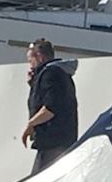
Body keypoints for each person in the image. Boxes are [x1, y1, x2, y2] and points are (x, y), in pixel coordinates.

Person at [21, 38, 78, 173]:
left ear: (39, 57)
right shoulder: (60, 73)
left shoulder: (50, 74)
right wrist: (34, 83)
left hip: (53, 141)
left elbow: (51, 108)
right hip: (61, 139)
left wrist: (31, 124)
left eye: (31, 61)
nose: (30, 66)